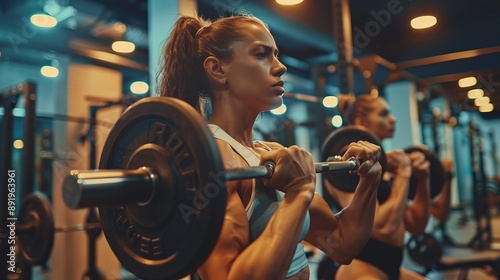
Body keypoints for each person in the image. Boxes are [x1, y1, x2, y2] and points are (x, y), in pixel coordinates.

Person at [158, 14, 384, 279]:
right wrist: (299, 193)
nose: (280, 67)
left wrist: (370, 181)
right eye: (261, 54)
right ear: (218, 70)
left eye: (276, 55)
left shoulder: (269, 151)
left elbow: (341, 243)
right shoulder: (214, 156)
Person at [325, 94, 433, 280]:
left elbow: (416, 225)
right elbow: (383, 229)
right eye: (384, 114)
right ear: (361, 121)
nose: (394, 119)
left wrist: (423, 178)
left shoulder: (385, 166)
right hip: (363, 269)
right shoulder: (347, 166)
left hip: (392, 267)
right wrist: (404, 172)